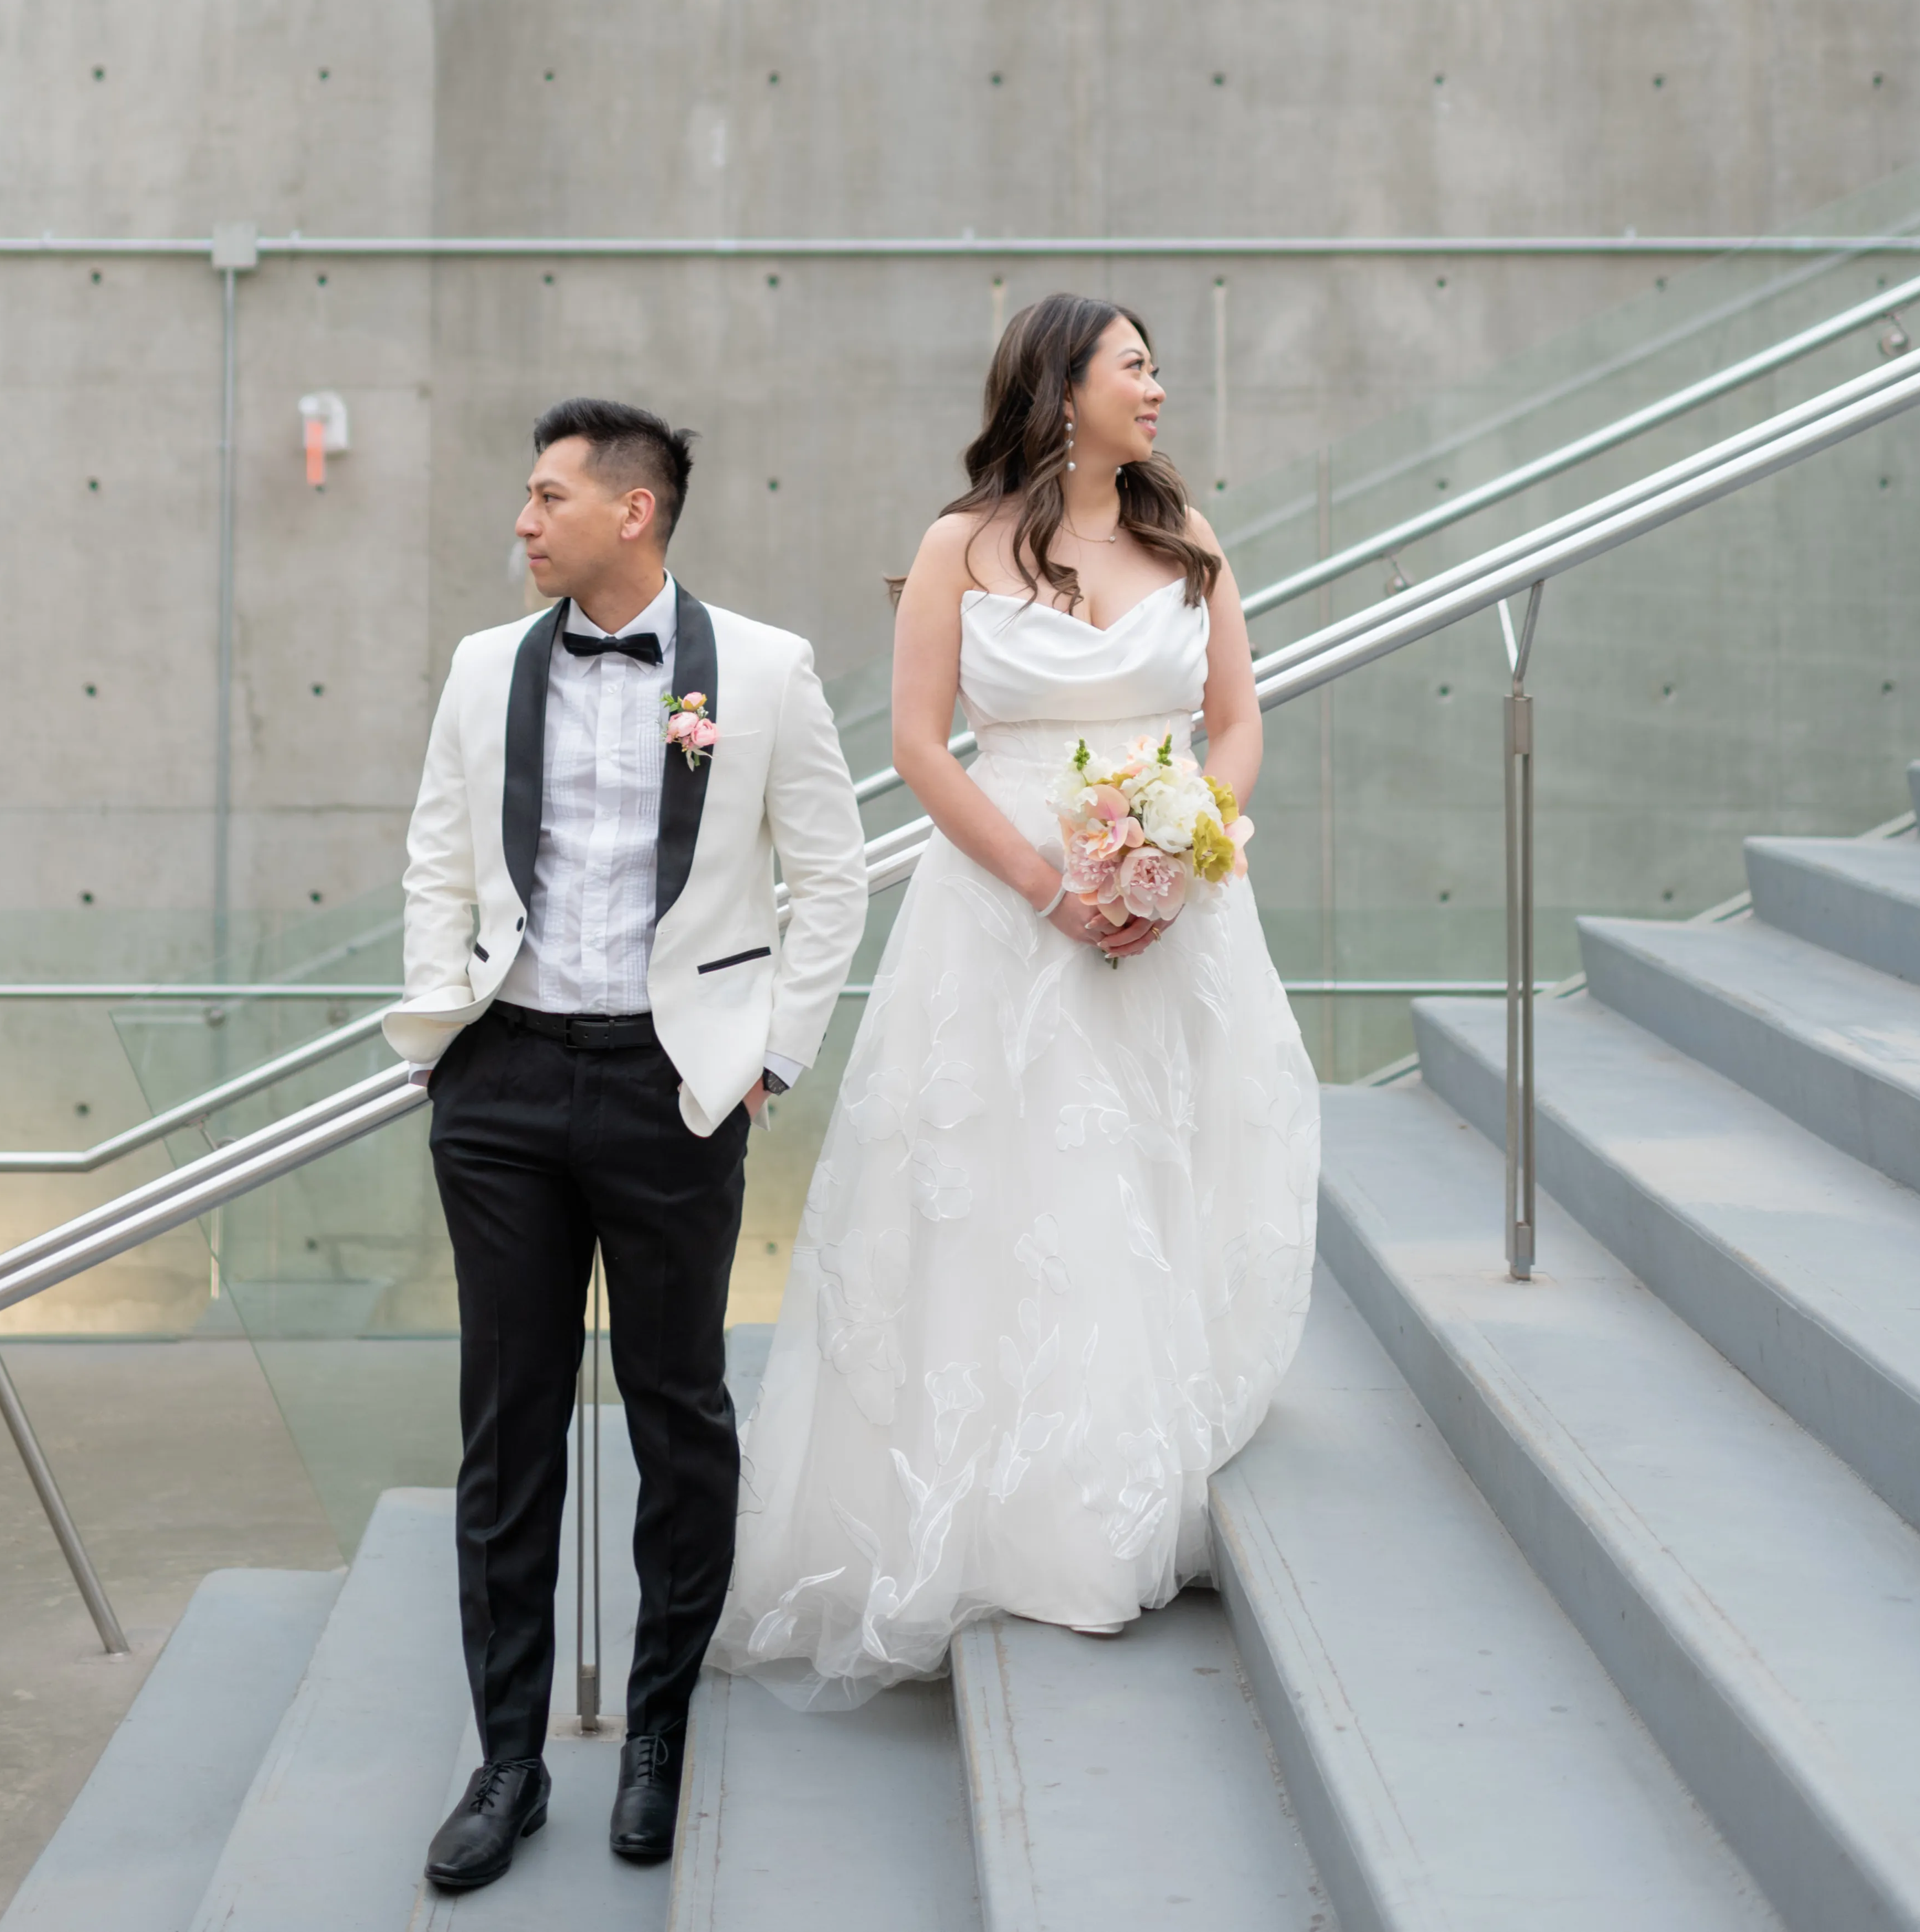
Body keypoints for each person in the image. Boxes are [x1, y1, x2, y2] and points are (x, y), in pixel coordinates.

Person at [711, 296, 1318, 1697]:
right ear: (1060, 387)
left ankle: (1136, 1464)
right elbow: (922, 747)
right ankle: (1032, 1521)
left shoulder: (1189, 535)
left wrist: (1183, 847)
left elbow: (1237, 718)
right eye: (1135, 367)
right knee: (1027, 1188)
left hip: (1175, 904)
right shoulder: (958, 547)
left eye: (1157, 368)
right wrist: (1054, 887)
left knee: (1162, 1167)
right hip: (1005, 904)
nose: (1158, 389)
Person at [385, 398, 870, 1890]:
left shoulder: (768, 673)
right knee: (506, 1427)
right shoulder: (482, 668)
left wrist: (766, 1059)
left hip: (674, 1093)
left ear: (631, 511)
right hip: (507, 1085)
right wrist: (440, 1035)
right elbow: (437, 853)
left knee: (678, 1415)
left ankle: (655, 1732)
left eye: (545, 498)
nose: (521, 523)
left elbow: (831, 877)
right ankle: (509, 1759)